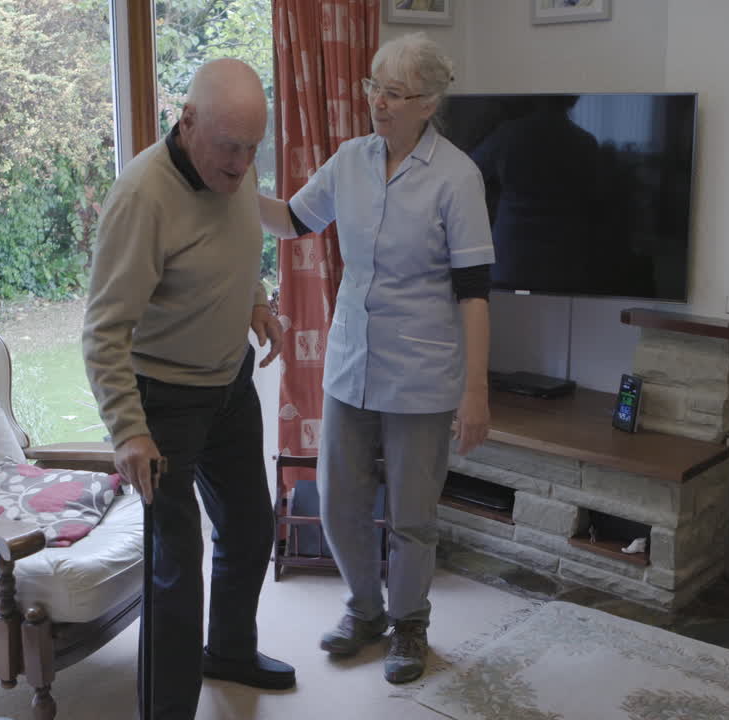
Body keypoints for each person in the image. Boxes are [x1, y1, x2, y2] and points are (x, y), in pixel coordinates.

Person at [259, 32, 493, 685]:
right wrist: (229, 186)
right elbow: (291, 221)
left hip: (423, 370)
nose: (378, 103)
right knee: (338, 500)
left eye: (395, 93)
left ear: (428, 102)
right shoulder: (349, 161)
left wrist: (475, 392)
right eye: (372, 87)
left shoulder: (457, 177)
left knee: (413, 515)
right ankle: (364, 611)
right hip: (351, 364)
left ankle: (409, 626)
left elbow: (474, 294)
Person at [83, 57, 293, 720]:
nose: (240, 167)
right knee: (176, 569)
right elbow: (102, 332)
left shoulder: (235, 161)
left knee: (252, 527)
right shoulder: (143, 198)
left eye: (252, 149)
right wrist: (128, 429)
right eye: (229, 148)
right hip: (163, 402)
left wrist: (255, 300)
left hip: (228, 385)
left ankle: (229, 651)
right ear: (188, 120)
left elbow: (239, 243)